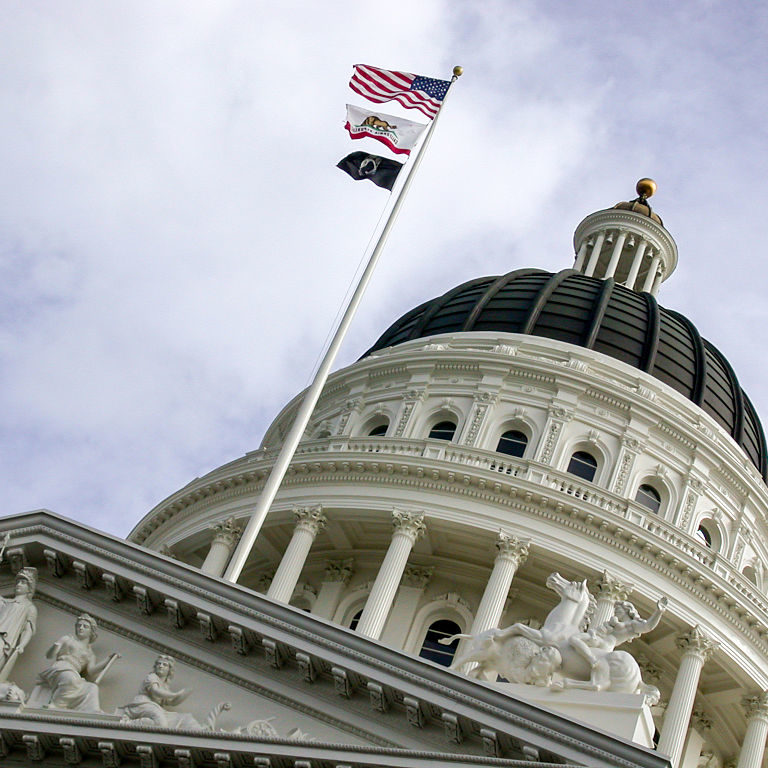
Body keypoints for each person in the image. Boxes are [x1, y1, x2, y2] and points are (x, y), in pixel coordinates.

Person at [36, 614, 119, 712]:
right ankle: (56, 704)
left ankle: (92, 710)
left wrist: (108, 660)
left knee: (92, 687)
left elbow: (91, 671)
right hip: (61, 667)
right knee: (70, 679)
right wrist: (57, 644)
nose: (81, 628)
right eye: (79, 625)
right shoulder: (67, 639)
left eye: (85, 626)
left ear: (91, 632)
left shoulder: (90, 654)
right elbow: (49, 656)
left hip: (74, 672)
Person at [118, 655, 200, 729]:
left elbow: (171, 702)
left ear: (169, 670)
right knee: (161, 725)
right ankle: (128, 723)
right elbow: (155, 691)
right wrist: (175, 694)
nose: (161, 666)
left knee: (183, 717)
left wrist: (185, 693)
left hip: (155, 708)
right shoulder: (151, 677)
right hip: (142, 705)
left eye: (164, 665)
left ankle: (201, 730)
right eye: (159, 664)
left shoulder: (165, 685)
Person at [0, 568, 38, 681]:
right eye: (18, 582)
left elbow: (28, 629)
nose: (19, 584)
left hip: (5, 642)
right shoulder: (3, 602)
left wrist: (22, 645)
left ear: (29, 588)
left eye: (23, 582)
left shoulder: (29, 608)